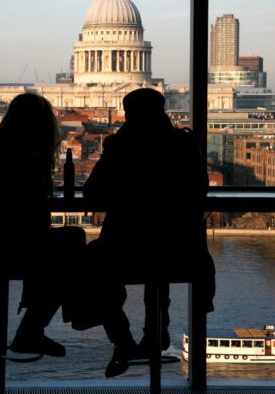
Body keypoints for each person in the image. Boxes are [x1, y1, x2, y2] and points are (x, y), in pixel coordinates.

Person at [82, 88, 215, 377]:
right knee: (159, 258)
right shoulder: (186, 143)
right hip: (184, 252)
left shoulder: (120, 146)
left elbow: (92, 193)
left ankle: (122, 340)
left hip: (127, 249)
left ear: (129, 115)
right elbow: (199, 190)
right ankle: (156, 333)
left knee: (91, 264)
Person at [0, 92, 85, 357]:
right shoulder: (28, 158)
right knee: (73, 239)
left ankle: (39, 324)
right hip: (1, 249)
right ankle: (37, 327)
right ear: (42, 126)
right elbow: (35, 221)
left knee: (54, 249)